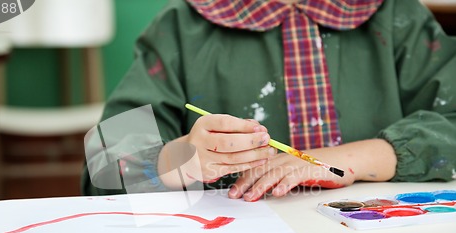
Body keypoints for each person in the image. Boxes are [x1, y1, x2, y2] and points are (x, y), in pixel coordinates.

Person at [82, 0, 456, 202]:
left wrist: (349, 160)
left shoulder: (396, 14)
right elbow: (103, 167)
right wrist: (184, 159)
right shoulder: (180, 28)